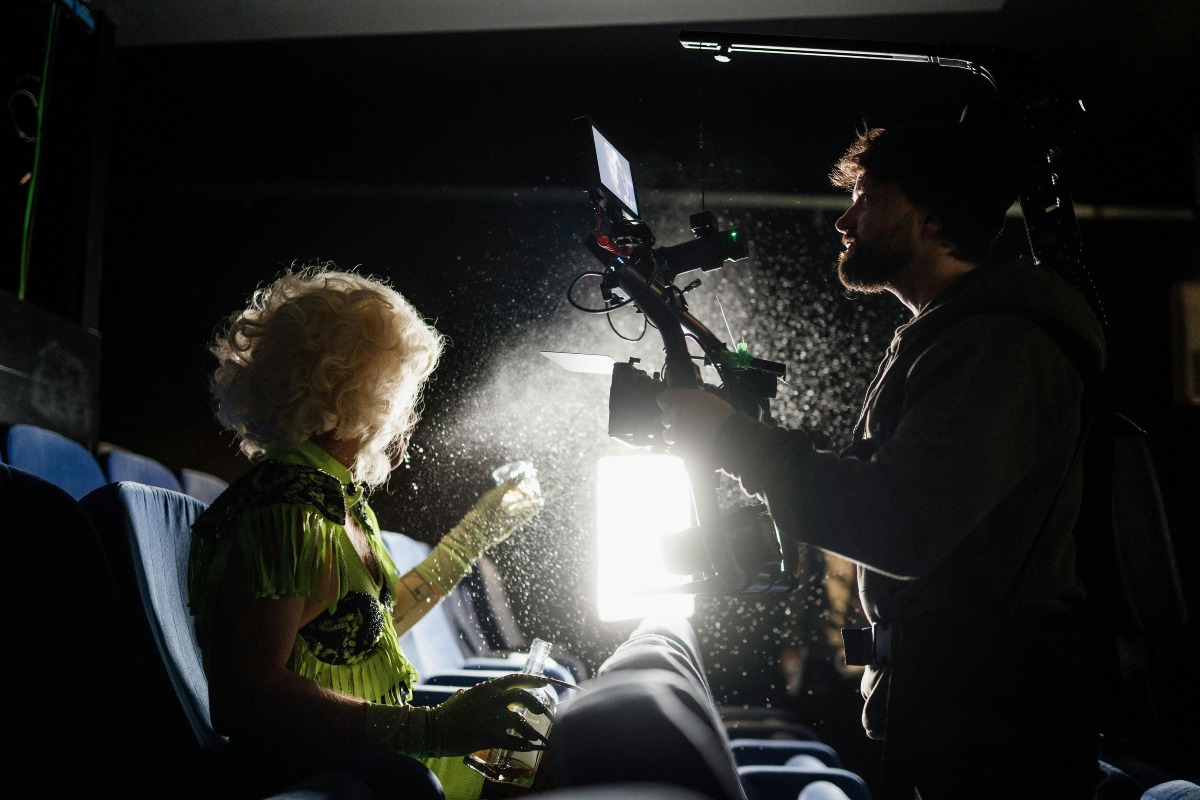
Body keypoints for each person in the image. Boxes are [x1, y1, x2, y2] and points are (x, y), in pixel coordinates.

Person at [658, 121, 1106, 799]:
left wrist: (733, 441)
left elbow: (900, 524)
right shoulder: (947, 338)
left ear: (927, 217)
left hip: (995, 741)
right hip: (956, 719)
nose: (844, 220)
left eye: (866, 197)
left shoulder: (995, 347)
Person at [188, 265, 558, 800]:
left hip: (384, 756)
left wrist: (474, 536)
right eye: (404, 388)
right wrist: (434, 728)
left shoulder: (333, 495)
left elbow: (361, 632)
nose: (408, 411)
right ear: (365, 392)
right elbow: (248, 696)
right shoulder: (288, 509)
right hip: (358, 773)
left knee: (563, 747)